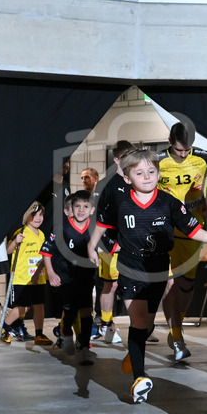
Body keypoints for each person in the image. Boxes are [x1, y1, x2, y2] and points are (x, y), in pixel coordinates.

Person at [89, 148, 207, 404]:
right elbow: (102, 224)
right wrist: (93, 246)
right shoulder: (120, 201)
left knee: (146, 325)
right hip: (131, 268)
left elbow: (194, 231)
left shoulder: (169, 202)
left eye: (152, 171)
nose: (147, 177)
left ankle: (134, 353)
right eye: (139, 173)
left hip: (159, 268)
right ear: (127, 178)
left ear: (158, 173)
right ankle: (139, 378)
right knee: (137, 322)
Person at [156, 123, 207, 363]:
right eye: (178, 150)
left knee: (186, 287)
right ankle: (177, 338)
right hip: (166, 232)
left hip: (194, 232)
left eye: (187, 150)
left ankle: (178, 326)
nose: (183, 154)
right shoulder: (157, 161)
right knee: (171, 283)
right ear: (169, 141)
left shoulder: (204, 158)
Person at [41, 191, 97, 366]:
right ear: (71, 209)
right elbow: (46, 252)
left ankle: (84, 349)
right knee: (71, 310)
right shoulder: (61, 228)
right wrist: (51, 273)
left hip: (86, 277)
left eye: (85, 206)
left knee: (87, 311)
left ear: (92, 210)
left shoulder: (95, 228)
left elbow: (109, 245)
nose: (81, 210)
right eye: (77, 206)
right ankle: (65, 332)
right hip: (65, 277)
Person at [92, 140, 136, 345]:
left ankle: (142, 325)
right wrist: (102, 245)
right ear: (117, 159)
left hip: (134, 244)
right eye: (127, 157)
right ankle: (106, 324)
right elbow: (96, 218)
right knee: (111, 284)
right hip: (110, 243)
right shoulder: (106, 185)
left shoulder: (137, 180)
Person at [0, 202, 53, 346]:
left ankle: (39, 334)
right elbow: (8, 251)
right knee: (24, 307)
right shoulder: (21, 232)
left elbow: (43, 256)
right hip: (22, 278)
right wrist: (15, 242)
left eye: (41, 215)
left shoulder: (41, 235)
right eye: (34, 215)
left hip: (38, 277)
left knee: (39, 305)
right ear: (27, 216)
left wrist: (40, 273)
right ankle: (3, 327)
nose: (38, 218)